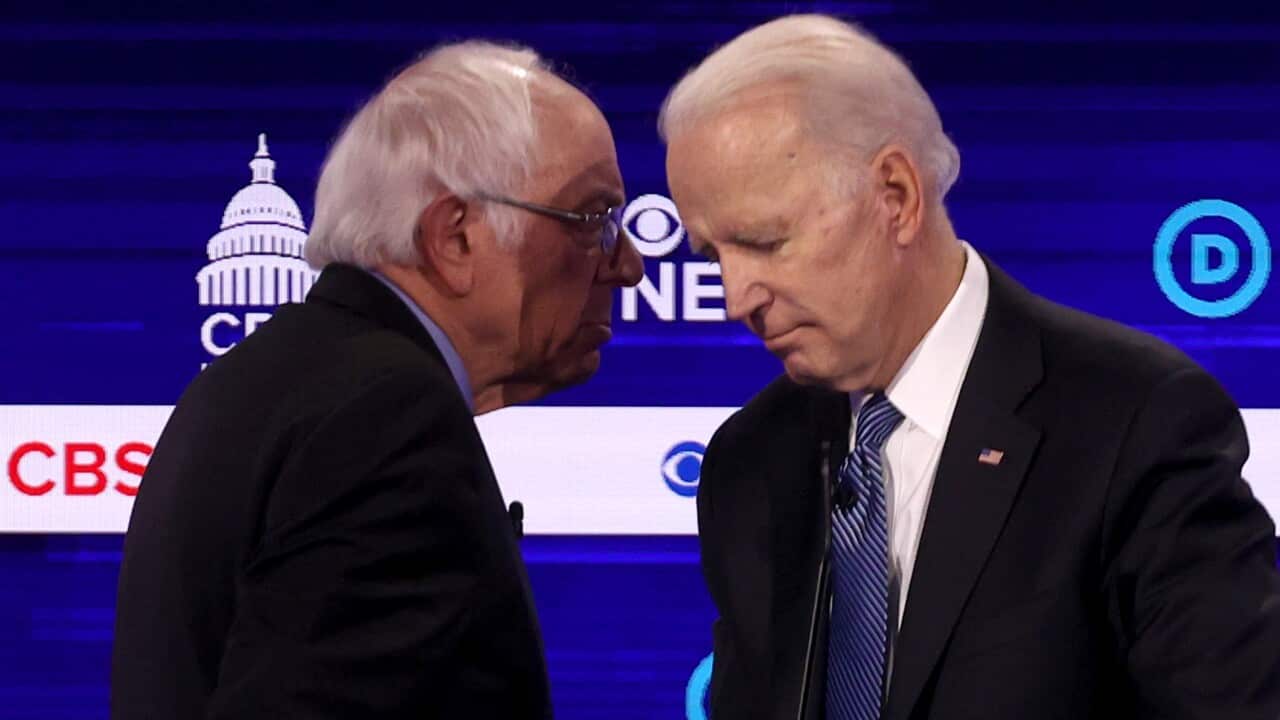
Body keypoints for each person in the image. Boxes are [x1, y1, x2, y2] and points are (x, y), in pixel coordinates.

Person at [660, 14, 1280, 720]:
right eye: (713, 257)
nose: (736, 298)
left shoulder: (1134, 422)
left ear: (894, 196)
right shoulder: (751, 461)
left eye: (765, 242)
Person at [112, 40, 642, 719]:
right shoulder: (386, 417)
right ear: (455, 238)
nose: (627, 265)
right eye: (593, 220)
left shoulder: (268, 380)